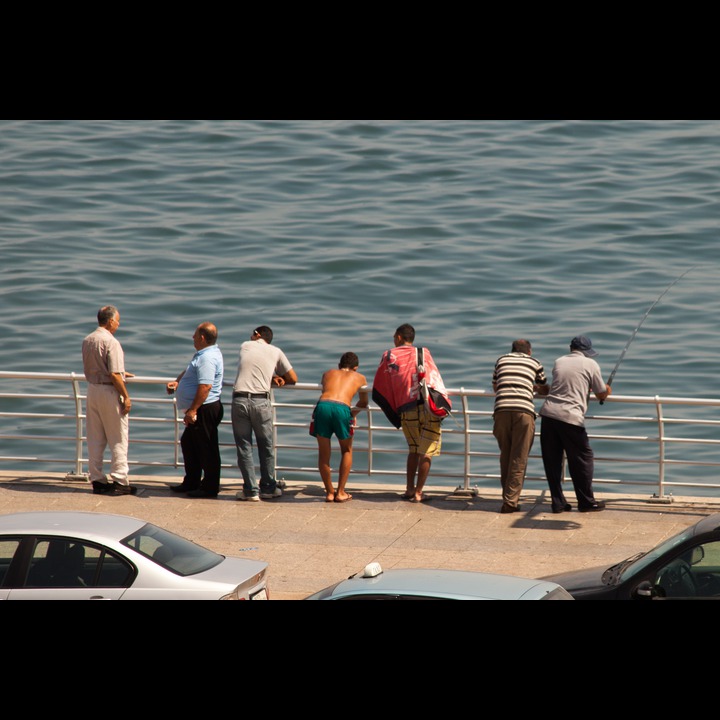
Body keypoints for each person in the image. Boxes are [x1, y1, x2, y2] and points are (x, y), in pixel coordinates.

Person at [372, 323, 448, 503]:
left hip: (407, 408)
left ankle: (409, 489)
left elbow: (381, 384)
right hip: (429, 407)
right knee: (427, 452)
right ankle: (419, 492)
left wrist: (395, 406)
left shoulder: (389, 355)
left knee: (413, 450)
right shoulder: (424, 353)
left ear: (398, 337)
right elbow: (435, 378)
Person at [539, 335, 612, 514]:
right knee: (582, 459)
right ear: (587, 352)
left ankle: (558, 503)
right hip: (570, 417)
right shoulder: (591, 364)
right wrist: (608, 389)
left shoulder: (559, 361)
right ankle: (586, 501)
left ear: (571, 348)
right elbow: (601, 393)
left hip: (548, 414)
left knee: (553, 461)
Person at [231, 326, 298, 502]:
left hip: (240, 400)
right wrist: (276, 376)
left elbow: (253, 364)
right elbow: (293, 378)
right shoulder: (276, 351)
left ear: (258, 335)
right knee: (266, 446)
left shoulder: (245, 345)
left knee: (244, 447)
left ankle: (250, 491)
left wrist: (272, 374)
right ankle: (268, 487)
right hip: (261, 401)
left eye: (252, 333)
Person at [81, 305, 136, 496]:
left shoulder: (88, 340)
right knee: (118, 437)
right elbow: (113, 374)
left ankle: (97, 479)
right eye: (118, 320)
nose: (118, 324)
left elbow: (99, 367)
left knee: (95, 437)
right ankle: (120, 480)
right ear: (111, 321)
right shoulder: (111, 342)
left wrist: (120, 373)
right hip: (109, 392)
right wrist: (126, 396)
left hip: (92, 390)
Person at [166, 322, 224, 499]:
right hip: (201, 408)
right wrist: (178, 382)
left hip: (204, 409)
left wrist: (193, 410)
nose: (192, 337)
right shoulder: (204, 354)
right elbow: (192, 370)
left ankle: (209, 487)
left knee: (207, 448)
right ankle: (191, 481)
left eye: (195, 334)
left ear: (202, 337)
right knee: (189, 443)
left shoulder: (207, 357)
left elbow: (205, 386)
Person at [492, 339, 549, 514]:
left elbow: (496, 386)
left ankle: (508, 497)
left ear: (512, 350)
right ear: (529, 352)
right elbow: (544, 387)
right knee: (519, 458)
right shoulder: (535, 363)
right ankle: (510, 502)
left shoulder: (501, 360)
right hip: (523, 412)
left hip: (501, 411)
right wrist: (535, 389)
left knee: (506, 456)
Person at [310, 352, 369, 503]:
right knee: (347, 450)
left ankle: (329, 493)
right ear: (355, 368)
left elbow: (327, 391)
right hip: (342, 408)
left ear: (339, 366)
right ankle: (340, 492)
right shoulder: (360, 378)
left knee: (324, 454)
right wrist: (352, 413)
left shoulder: (327, 373)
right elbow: (363, 402)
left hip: (323, 406)